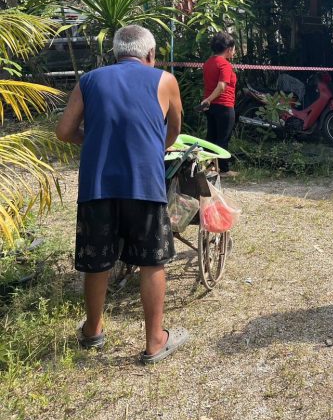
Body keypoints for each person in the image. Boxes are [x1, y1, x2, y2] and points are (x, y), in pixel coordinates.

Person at [56, 24, 188, 364]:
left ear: (115, 53)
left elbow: (64, 131)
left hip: (97, 185)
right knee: (151, 261)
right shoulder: (165, 80)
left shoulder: (89, 80)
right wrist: (154, 148)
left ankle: (92, 330)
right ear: (151, 54)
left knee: (97, 260)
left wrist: (94, 140)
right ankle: (155, 341)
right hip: (144, 183)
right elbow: (174, 129)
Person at [200, 31, 238, 177]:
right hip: (224, 105)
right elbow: (222, 86)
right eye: (233, 49)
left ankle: (209, 167)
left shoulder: (208, 63)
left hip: (210, 107)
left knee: (211, 137)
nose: (234, 52)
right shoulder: (225, 64)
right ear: (228, 49)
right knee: (223, 138)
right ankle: (224, 169)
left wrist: (208, 100)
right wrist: (209, 99)